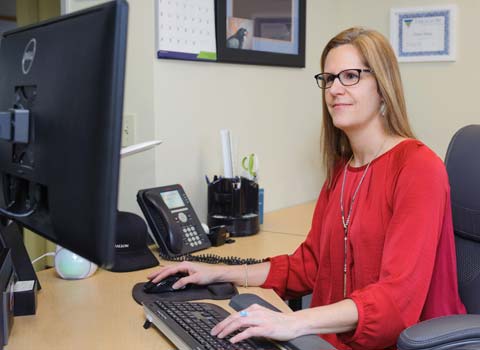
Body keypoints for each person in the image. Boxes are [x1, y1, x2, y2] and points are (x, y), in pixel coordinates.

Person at [148, 27, 466, 349]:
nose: (335, 89)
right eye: (328, 79)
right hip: (328, 338)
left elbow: (396, 299)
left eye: (351, 76)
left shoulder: (418, 168)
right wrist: (219, 274)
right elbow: (310, 266)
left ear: (383, 87)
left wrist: (291, 322)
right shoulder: (342, 171)